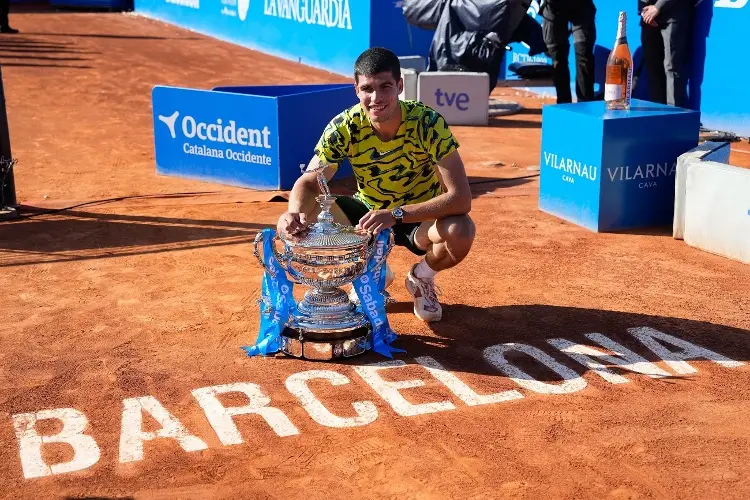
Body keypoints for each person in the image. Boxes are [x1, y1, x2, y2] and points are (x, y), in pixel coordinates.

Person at [276, 47, 475, 323]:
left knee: (461, 230)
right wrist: (293, 213)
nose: (376, 98)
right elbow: (310, 181)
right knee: (309, 212)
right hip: (367, 214)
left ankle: (421, 278)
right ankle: (373, 271)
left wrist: (395, 215)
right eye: (367, 88)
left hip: (420, 217)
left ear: (400, 86)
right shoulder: (344, 126)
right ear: (356, 89)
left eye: (385, 87)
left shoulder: (428, 123)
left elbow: (461, 198)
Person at [540, 0, 597, 104]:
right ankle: (563, 105)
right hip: (553, 6)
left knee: (584, 53)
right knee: (557, 57)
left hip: (582, 6)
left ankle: (585, 106)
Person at [638, 0, 693, 108]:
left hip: (673, 14)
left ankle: (673, 114)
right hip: (648, 17)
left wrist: (658, 7)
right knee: (652, 66)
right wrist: (644, 11)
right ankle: (658, 112)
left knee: (671, 67)